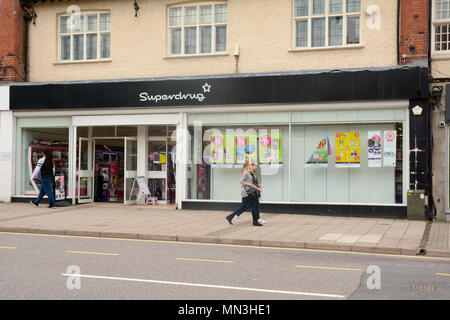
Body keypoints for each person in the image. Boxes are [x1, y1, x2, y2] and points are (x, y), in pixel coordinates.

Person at [226, 159, 263, 226]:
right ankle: (255, 221)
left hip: (252, 192)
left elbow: (252, 183)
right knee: (246, 206)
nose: (256, 167)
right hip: (247, 192)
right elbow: (241, 181)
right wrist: (249, 184)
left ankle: (230, 216)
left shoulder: (253, 173)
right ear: (251, 165)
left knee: (249, 206)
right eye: (255, 165)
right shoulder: (246, 173)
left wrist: (257, 186)